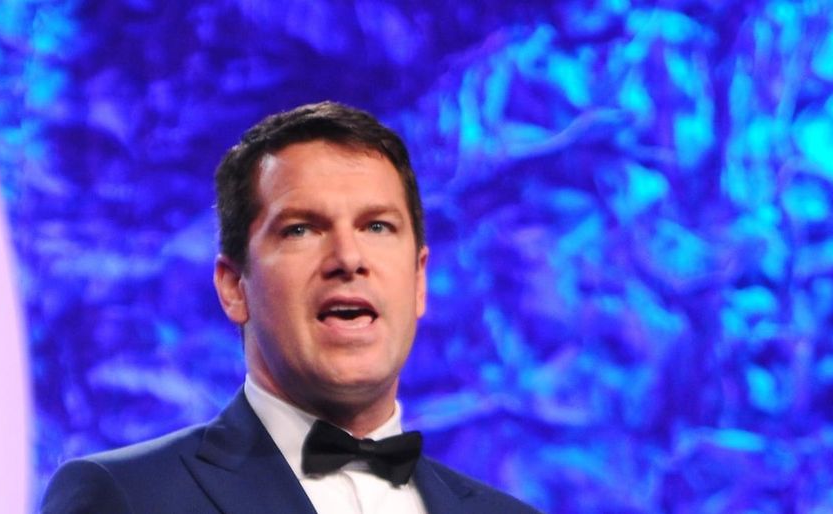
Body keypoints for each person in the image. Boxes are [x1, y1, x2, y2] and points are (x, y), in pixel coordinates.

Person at [41, 101, 540, 514]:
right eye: (301, 229)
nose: (348, 258)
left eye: (377, 227)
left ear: (418, 281)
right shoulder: (127, 498)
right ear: (234, 287)